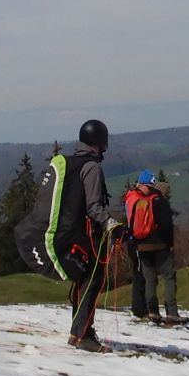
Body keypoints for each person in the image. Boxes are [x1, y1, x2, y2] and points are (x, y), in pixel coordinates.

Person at [64, 119, 126, 352]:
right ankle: (84, 335)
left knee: (82, 283)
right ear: (99, 142)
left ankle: (76, 332)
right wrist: (112, 225)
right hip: (90, 235)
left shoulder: (74, 163)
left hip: (75, 234)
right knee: (92, 283)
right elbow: (94, 207)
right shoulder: (92, 167)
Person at [124, 169, 185, 325]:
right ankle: (171, 312)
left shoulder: (138, 201)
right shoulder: (159, 201)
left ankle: (153, 312)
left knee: (149, 279)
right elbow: (166, 225)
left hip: (141, 245)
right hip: (159, 245)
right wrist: (170, 244)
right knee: (169, 276)